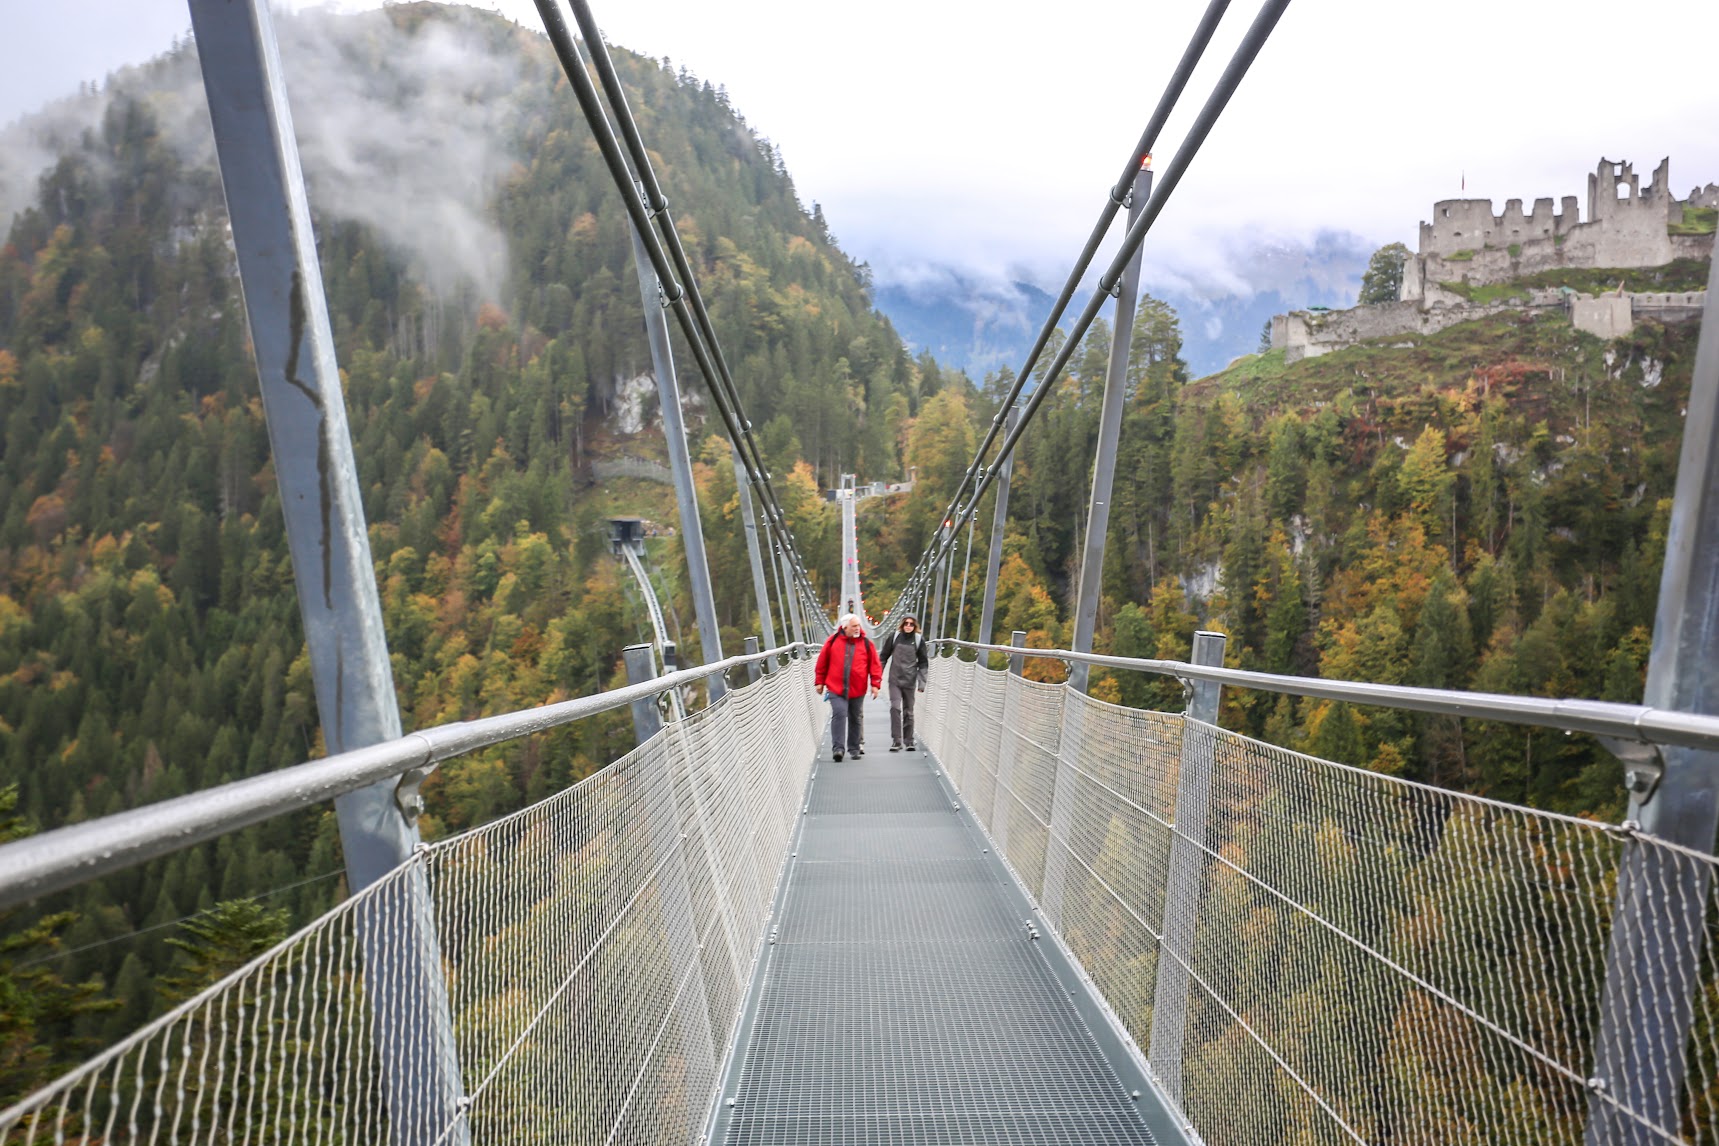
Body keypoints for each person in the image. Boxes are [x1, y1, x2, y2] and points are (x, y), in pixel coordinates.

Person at [814, 614, 881, 761]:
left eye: (858, 625)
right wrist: (819, 681)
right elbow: (822, 663)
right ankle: (838, 748)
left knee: (855, 717)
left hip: (857, 688)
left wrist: (875, 685)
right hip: (835, 687)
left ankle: (854, 748)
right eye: (854, 626)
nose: (857, 628)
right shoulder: (832, 642)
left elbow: (875, 666)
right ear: (845, 627)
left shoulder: (866, 644)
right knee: (839, 712)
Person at [879, 615, 929, 751]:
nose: (908, 626)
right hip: (894, 679)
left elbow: (923, 662)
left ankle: (909, 740)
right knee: (895, 707)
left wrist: (922, 683)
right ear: (902, 624)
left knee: (909, 712)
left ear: (915, 626)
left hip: (910, 680)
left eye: (911, 624)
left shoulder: (918, 640)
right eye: (906, 623)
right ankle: (896, 740)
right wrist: (877, 676)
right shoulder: (894, 637)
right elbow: (883, 656)